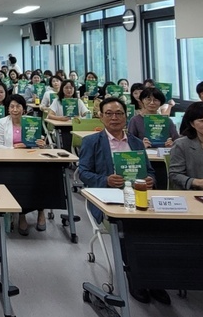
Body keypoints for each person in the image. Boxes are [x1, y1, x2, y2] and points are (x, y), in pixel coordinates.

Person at [77, 97, 163, 305]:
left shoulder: (135, 142)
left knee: (160, 225)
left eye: (119, 114)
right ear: (101, 115)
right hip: (107, 199)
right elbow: (84, 173)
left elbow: (150, 171)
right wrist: (105, 180)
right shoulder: (92, 141)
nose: (114, 118)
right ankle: (135, 276)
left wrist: (150, 180)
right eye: (109, 113)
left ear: (126, 116)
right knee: (128, 225)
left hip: (138, 195)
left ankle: (156, 277)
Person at [0, 94, 47, 234]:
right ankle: (22, 214)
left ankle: (41, 210)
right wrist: (13, 148)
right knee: (20, 178)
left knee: (44, 176)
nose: (15, 109)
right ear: (8, 108)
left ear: (24, 109)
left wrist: (41, 145)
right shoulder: (3, 122)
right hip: (12, 160)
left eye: (18, 106)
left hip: (31, 158)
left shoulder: (32, 122)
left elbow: (38, 143)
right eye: (12, 106)